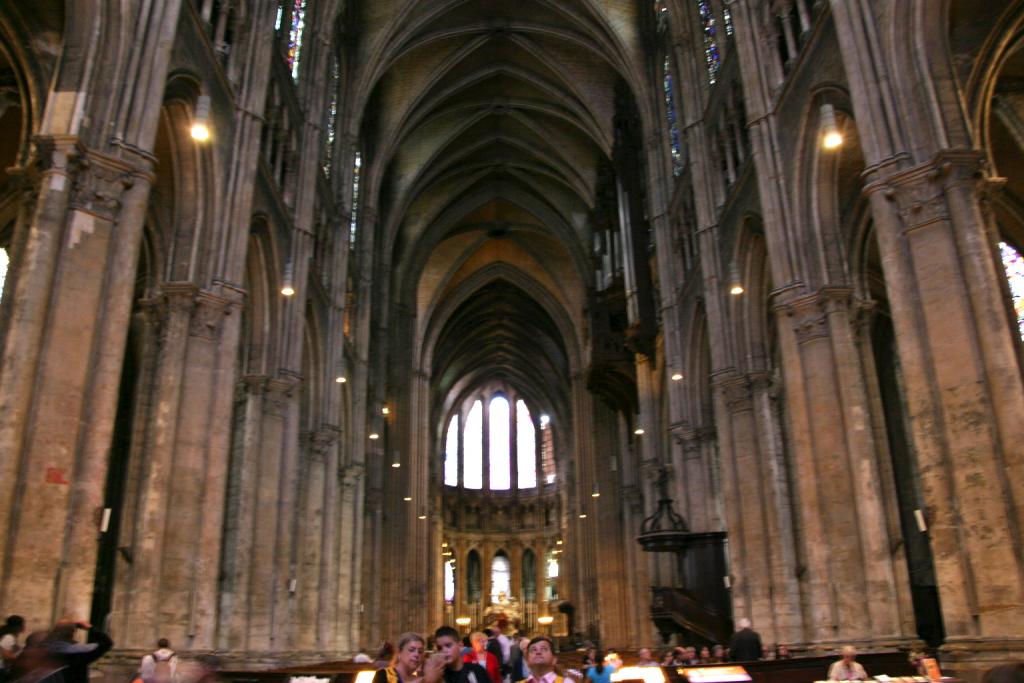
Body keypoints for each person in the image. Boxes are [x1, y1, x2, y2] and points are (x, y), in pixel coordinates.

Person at [42, 619, 112, 683]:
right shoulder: (81, 652)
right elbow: (106, 642)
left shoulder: (44, 649)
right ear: (72, 633)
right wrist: (89, 627)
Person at [423, 626, 490, 683]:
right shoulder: (438, 675)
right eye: (440, 648)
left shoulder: (477, 671)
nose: (444, 650)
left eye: (448, 645)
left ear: (460, 645)